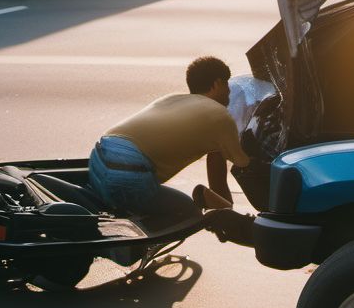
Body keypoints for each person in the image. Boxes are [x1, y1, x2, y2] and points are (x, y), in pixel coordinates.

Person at [88, 56, 250, 221]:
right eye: (226, 84)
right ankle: (140, 245)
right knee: (187, 212)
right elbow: (243, 162)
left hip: (98, 159)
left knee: (133, 210)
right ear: (217, 83)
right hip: (127, 172)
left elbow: (216, 156)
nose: (229, 91)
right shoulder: (219, 114)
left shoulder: (171, 99)